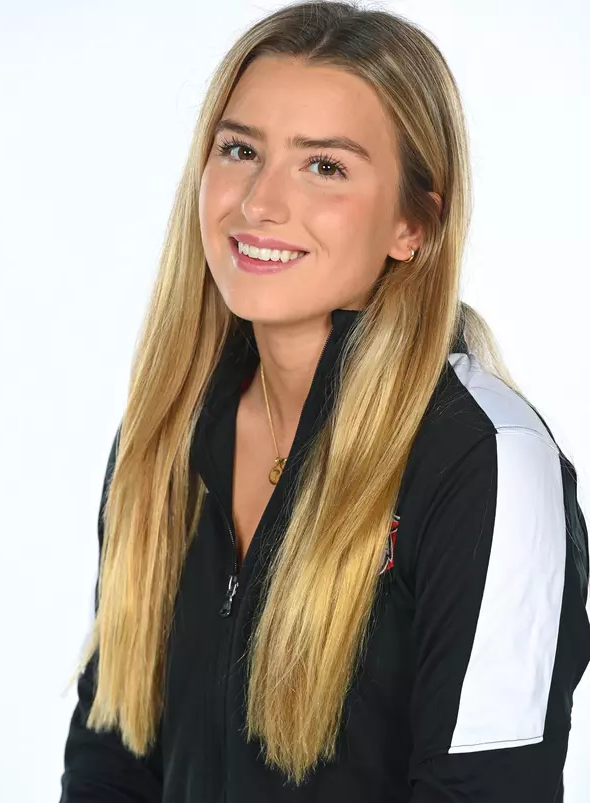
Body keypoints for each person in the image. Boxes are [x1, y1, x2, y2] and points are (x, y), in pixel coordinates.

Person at [58, 2, 590, 801]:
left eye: (324, 166)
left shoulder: (486, 464)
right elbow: (113, 757)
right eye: (240, 150)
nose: (258, 203)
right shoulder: (167, 430)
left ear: (412, 224)